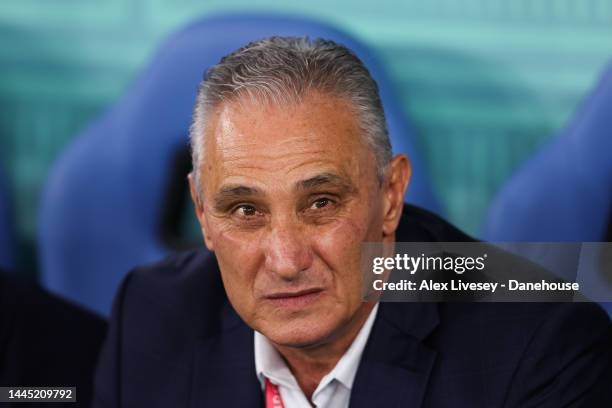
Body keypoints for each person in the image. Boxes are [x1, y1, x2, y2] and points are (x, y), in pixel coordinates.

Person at [93, 37, 612, 407]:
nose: (286, 260)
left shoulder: (542, 344)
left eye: (321, 203)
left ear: (389, 196)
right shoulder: (152, 318)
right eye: (245, 211)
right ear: (203, 214)